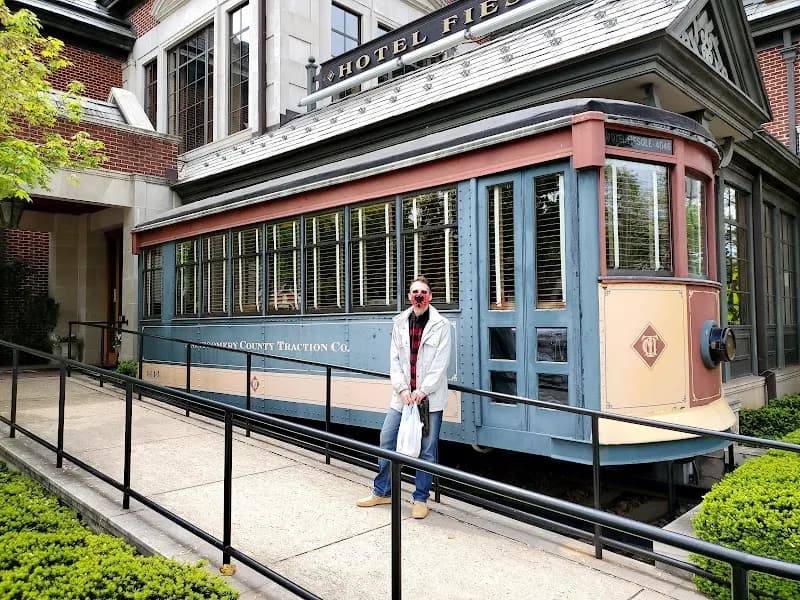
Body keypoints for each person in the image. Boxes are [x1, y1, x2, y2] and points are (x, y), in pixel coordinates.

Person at [356, 275, 452, 519]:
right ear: (409, 296)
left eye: (423, 292)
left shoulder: (442, 326)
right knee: (386, 439)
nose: (418, 296)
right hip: (402, 398)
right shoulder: (399, 322)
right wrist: (401, 389)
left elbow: (440, 365)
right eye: (414, 292)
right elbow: (395, 360)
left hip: (428, 399)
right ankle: (382, 491)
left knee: (427, 450)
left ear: (430, 296)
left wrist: (422, 391)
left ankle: (420, 499)